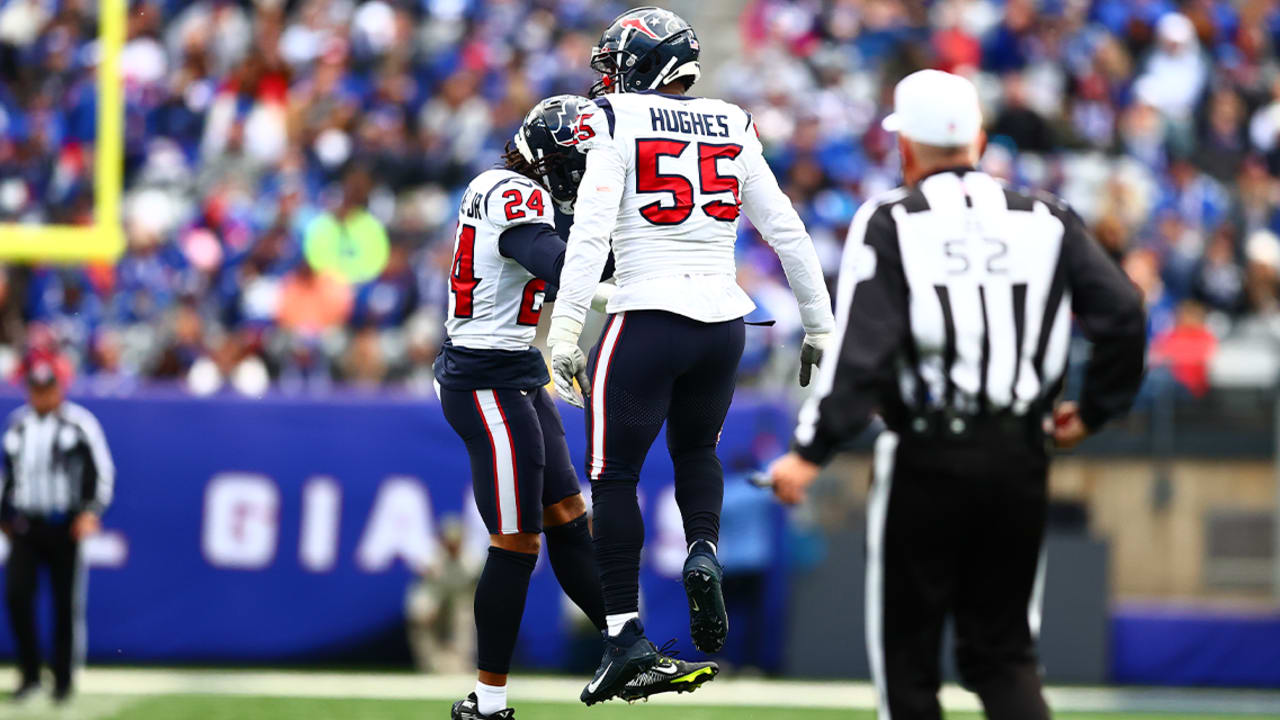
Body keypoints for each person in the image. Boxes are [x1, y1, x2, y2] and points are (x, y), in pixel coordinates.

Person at [766, 69, 1147, 720]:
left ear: (905, 148)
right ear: (978, 137)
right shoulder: (1045, 216)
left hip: (927, 456)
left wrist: (811, 449)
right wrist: (1091, 412)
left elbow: (862, 350)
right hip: (1022, 454)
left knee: (909, 664)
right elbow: (1125, 315)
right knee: (1003, 656)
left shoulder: (891, 219)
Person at [545, 7, 835, 704]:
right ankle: (704, 548)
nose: (607, 76)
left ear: (641, 65)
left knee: (614, 478)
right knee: (697, 453)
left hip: (647, 315)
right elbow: (788, 232)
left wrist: (565, 331)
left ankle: (623, 635)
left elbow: (588, 235)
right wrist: (819, 325)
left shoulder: (613, 119)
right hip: (723, 321)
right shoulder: (730, 121)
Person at [439, 96, 716, 720]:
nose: (586, 176)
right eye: (579, 164)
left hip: (516, 370)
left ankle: (628, 646)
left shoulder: (518, 190)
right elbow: (558, 261)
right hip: (482, 377)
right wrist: (634, 274)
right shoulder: (511, 193)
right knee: (516, 540)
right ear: (550, 157)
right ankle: (487, 702)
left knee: (567, 512)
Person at [2, 346, 115, 704]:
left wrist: (90, 511)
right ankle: (30, 674)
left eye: (46, 388)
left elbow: (102, 471)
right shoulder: (18, 424)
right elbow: (8, 476)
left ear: (59, 389)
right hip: (26, 525)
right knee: (18, 596)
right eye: (34, 389)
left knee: (65, 604)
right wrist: (4, 515)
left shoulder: (79, 424)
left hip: (64, 525)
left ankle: (63, 679)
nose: (40, 396)